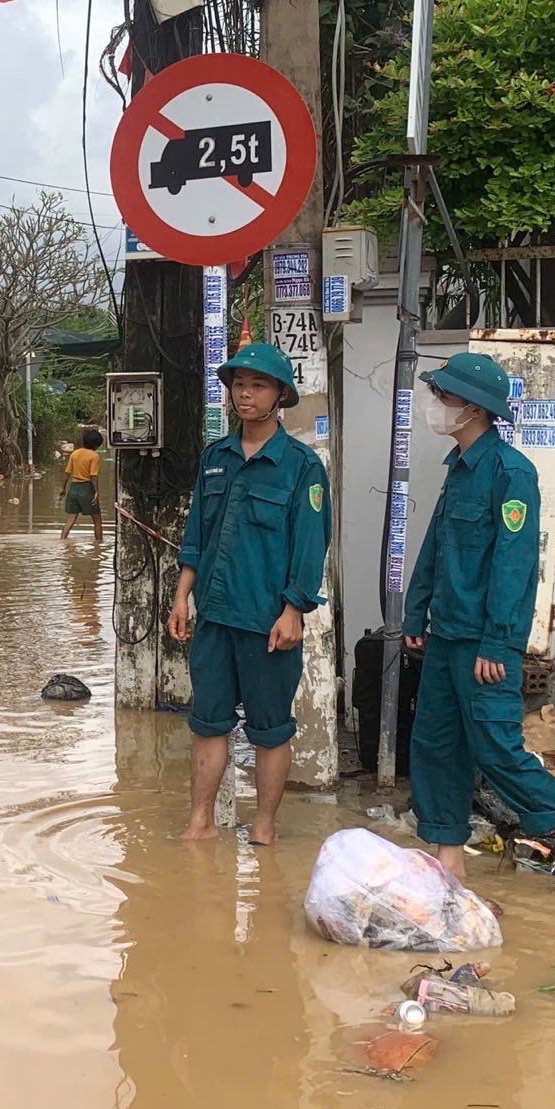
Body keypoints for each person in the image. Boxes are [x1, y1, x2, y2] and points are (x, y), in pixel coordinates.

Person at [403, 352, 555, 904]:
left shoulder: (511, 473)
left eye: (445, 397)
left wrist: (500, 640)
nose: (436, 406)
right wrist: (415, 612)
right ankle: (449, 866)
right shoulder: (458, 468)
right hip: (446, 636)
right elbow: (434, 548)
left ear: (473, 407)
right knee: (435, 747)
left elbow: (514, 564)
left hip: (483, 644)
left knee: (498, 749)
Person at [167, 343, 330, 847]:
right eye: (238, 384)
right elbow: (197, 532)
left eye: (258, 385)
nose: (245, 394)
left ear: (280, 395)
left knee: (269, 729)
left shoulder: (303, 466)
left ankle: (263, 826)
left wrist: (293, 610)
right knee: (207, 724)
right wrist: (181, 596)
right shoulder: (215, 459)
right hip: (214, 616)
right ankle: (201, 822)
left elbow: (310, 544)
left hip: (268, 622)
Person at [61, 427, 104, 545]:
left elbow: (67, 473)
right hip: (86, 489)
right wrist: (96, 492)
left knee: (71, 518)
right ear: (97, 445)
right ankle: (99, 546)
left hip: (73, 488)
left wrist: (63, 488)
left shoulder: (74, 454)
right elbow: (93, 476)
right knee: (97, 520)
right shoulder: (94, 456)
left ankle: (62, 541)